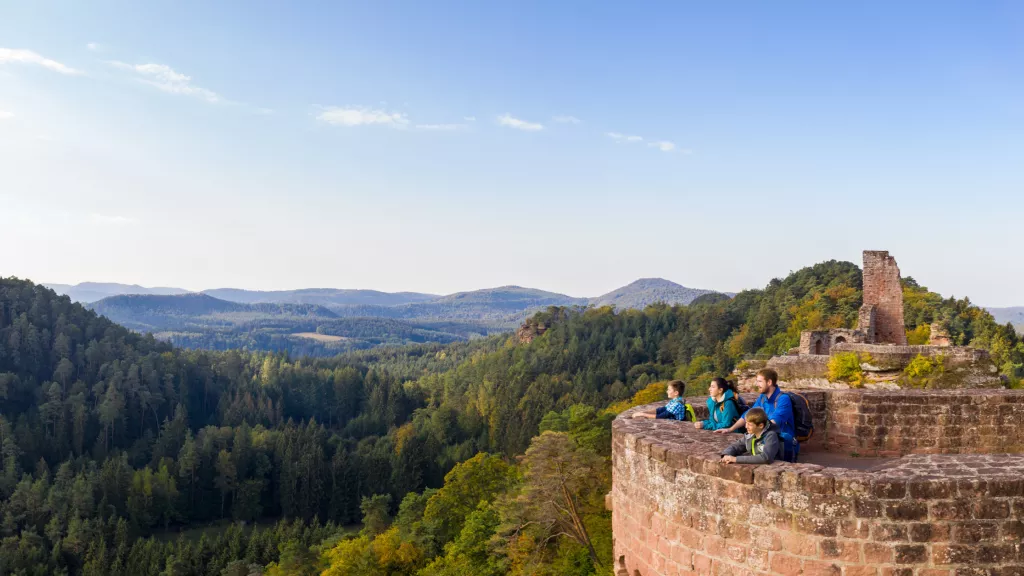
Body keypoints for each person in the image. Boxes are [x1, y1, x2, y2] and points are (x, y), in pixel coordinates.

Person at [714, 368, 797, 460]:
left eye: (760, 381)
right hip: (763, 438)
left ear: (769, 382)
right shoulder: (762, 398)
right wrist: (730, 429)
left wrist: (752, 430)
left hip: (783, 445)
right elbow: (749, 414)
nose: (757, 384)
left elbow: (773, 422)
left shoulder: (783, 399)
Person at [632, 380, 696, 421]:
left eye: (669, 390)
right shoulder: (675, 401)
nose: (667, 391)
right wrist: (645, 412)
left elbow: (662, 416)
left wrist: (642, 414)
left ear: (676, 393)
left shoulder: (678, 404)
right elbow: (662, 409)